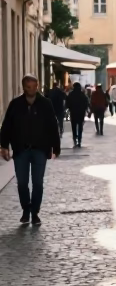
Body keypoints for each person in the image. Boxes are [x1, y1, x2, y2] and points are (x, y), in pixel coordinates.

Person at [0, 74, 60, 225]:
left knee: (38, 183)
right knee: (22, 183)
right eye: (28, 87)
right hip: (21, 150)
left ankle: (35, 213)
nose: (31, 90)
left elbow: (53, 125)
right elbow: (7, 125)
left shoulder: (45, 103)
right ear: (24, 87)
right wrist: (4, 146)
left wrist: (56, 146)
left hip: (40, 149)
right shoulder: (15, 104)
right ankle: (26, 209)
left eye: (34, 87)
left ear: (37, 86)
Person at [66, 82, 89, 147]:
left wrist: (69, 108)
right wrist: (86, 110)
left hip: (73, 113)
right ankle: (79, 139)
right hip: (81, 113)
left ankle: (75, 138)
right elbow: (86, 103)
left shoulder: (71, 94)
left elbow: (68, 103)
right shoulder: (82, 94)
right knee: (80, 127)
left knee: (73, 127)